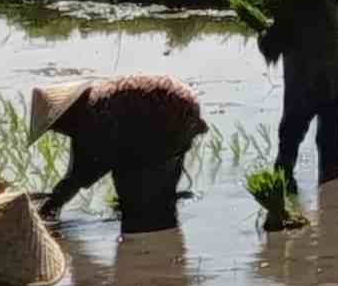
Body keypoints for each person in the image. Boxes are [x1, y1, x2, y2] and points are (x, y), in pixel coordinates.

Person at [28, 75, 206, 231]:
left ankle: (144, 250)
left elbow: (81, 173)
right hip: (183, 103)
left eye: (55, 127)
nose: (58, 132)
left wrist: (52, 204)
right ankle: (164, 233)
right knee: (159, 194)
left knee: (130, 185)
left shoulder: (92, 116)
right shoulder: (97, 100)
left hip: (166, 112)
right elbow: (83, 169)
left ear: (64, 117)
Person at [256, 0, 338, 190]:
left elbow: (271, 47)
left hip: (308, 79)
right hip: (337, 76)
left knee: (290, 134)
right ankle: (332, 191)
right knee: (331, 135)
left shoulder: (293, 6)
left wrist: (262, 32)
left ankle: (283, 184)